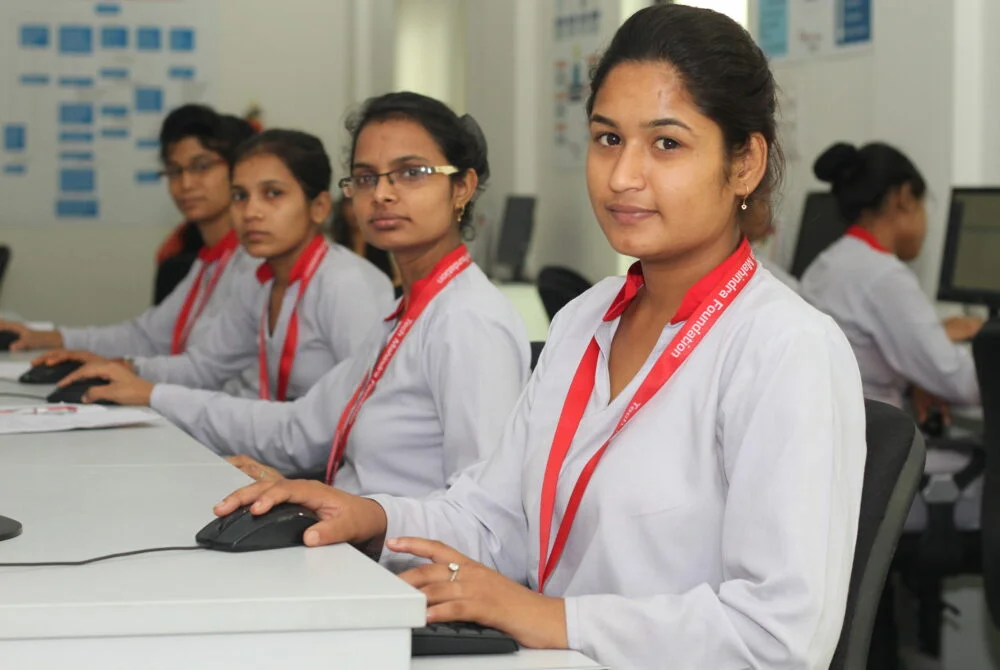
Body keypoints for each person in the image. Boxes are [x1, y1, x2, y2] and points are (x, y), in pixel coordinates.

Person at [214, 7, 867, 669]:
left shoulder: (785, 347)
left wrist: (552, 617)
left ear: (745, 163)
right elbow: (497, 518)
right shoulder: (588, 319)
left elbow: (779, 639)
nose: (621, 176)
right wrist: (370, 516)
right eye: (607, 139)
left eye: (666, 144)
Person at [60, 92, 531, 493]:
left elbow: (485, 515)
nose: (382, 194)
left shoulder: (467, 320)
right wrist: (156, 396)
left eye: (411, 173)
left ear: (462, 187)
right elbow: (300, 428)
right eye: (366, 177)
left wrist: (340, 508)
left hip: (409, 580)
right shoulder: (407, 313)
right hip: (369, 548)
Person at [56, 129, 394, 403]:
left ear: (319, 207)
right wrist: (126, 367)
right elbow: (206, 367)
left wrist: (154, 395)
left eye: (273, 194)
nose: (251, 212)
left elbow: (364, 409)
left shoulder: (346, 284)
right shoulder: (259, 278)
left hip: (329, 475)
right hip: (280, 454)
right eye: (239, 196)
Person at [0, 105, 258, 356]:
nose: (186, 183)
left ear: (239, 171)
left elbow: (211, 371)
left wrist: (135, 375)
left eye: (201, 166)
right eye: (174, 171)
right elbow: (146, 337)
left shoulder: (252, 262)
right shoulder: (208, 261)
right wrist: (48, 338)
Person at [801, 142, 981, 412]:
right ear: (905, 198)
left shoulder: (827, 263)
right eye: (923, 204)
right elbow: (965, 384)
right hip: (871, 442)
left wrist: (923, 370)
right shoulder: (883, 277)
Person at [330, 195, 396, 283]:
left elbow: (397, 279)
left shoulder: (383, 241)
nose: (354, 211)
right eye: (350, 204)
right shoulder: (335, 246)